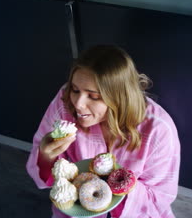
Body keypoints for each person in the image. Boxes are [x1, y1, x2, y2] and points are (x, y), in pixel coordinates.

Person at [26, 45, 180, 218]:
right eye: (75, 90)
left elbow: (159, 197)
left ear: (119, 98)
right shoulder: (64, 103)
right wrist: (46, 157)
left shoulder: (157, 129)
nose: (78, 103)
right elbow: (50, 173)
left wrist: (118, 188)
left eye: (93, 96)